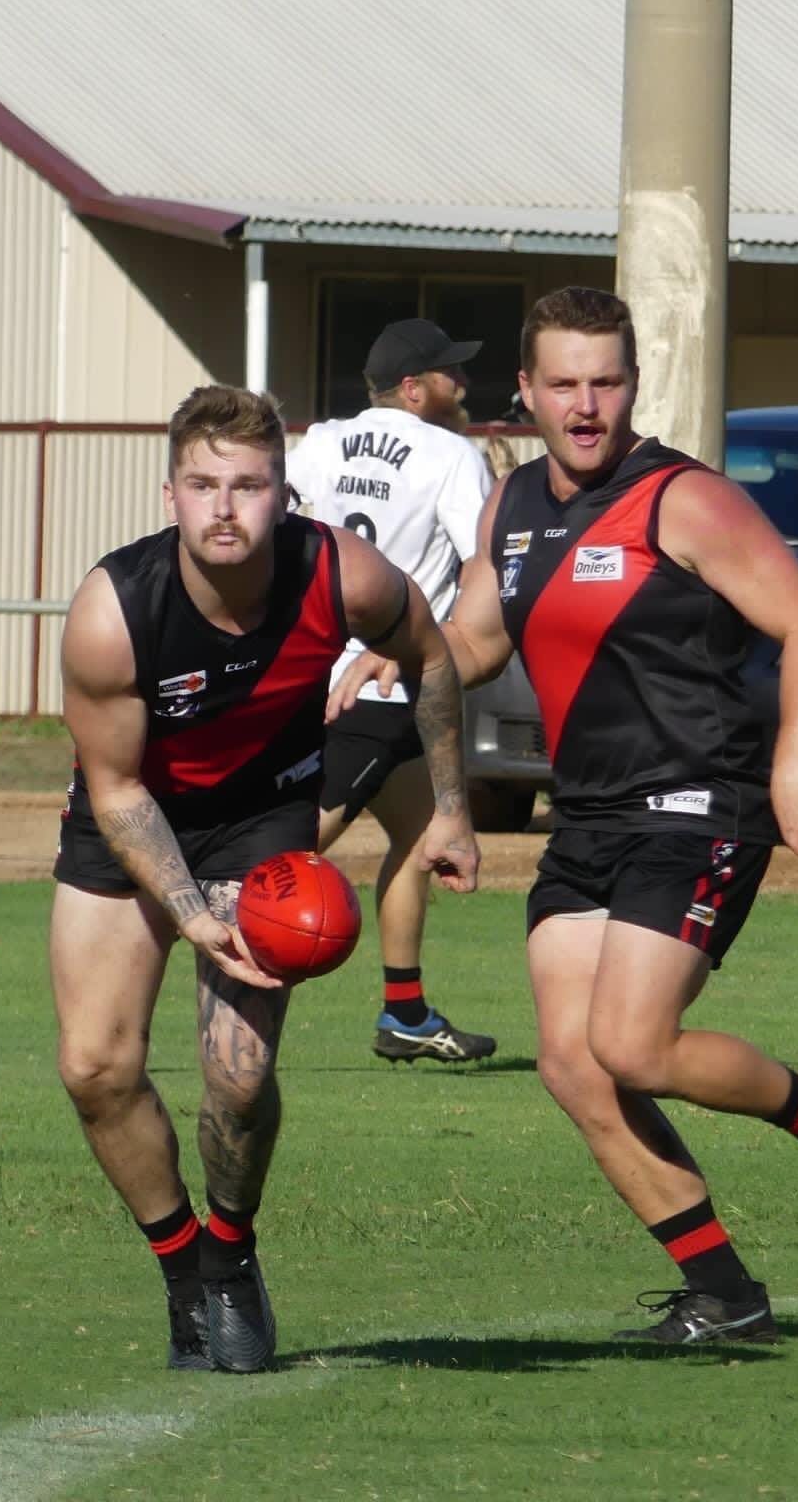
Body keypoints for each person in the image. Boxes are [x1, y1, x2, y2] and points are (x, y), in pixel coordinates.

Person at [340, 285, 798, 1347]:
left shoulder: (681, 501)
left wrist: (791, 773)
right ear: (526, 391)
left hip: (701, 802)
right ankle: (724, 1294)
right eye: (564, 383)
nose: (586, 404)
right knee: (572, 1064)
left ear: (634, 386)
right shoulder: (507, 506)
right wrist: (406, 658)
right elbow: (478, 641)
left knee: (634, 1046)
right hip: (588, 812)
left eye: (606, 381)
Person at [52, 384, 478, 1374]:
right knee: (95, 1067)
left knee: (237, 1078)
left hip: (263, 818)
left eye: (249, 485)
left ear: (284, 492)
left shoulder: (342, 572)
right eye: (204, 484)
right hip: (136, 817)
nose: (226, 508)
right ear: (172, 495)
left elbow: (433, 654)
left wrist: (451, 806)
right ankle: (184, 1275)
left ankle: (233, 1251)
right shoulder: (114, 612)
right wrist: (188, 910)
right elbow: (116, 792)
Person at [287, 318, 498, 1065]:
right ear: (414, 388)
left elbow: (285, 535)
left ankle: (404, 1014)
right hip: (382, 689)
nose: (464, 385)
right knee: (277, 859)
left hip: (315, 675)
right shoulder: (449, 454)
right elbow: (485, 568)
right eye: (451, 373)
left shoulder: (318, 442)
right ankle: (158, 945)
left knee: (419, 838)